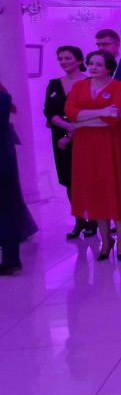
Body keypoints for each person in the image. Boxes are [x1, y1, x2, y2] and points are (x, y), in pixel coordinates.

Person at [65, 50, 121, 261]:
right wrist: (100, 112)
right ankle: (106, 240)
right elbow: (71, 113)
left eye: (99, 64)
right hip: (86, 147)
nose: (93, 67)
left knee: (115, 188)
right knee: (96, 189)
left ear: (109, 68)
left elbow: (114, 118)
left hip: (113, 144)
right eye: (91, 63)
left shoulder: (119, 87)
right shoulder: (79, 86)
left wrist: (82, 122)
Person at [44, 46, 94, 239]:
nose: (63, 62)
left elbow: (92, 109)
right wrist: (66, 126)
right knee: (69, 179)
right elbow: (49, 111)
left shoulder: (90, 82)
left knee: (88, 178)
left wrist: (74, 129)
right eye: (60, 59)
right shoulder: (54, 84)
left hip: (86, 134)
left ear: (79, 60)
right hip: (61, 136)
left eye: (68, 58)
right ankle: (79, 219)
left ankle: (94, 219)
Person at [0, 82, 37, 275]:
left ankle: (11, 261)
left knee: (6, 212)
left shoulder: (3, 98)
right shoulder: (4, 98)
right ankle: (11, 260)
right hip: (4, 161)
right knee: (7, 211)